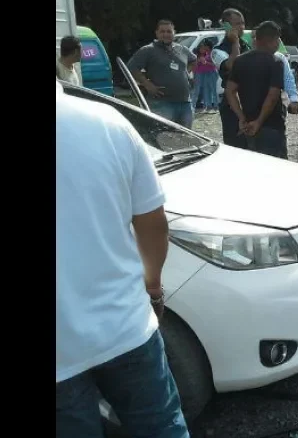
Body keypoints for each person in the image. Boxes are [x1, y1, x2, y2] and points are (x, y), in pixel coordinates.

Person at [56, 82, 188, 437]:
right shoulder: (107, 122)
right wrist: (154, 288)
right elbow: (152, 223)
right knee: (161, 427)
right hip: (125, 328)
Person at [225, 21, 290, 158]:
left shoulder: (239, 61)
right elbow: (272, 96)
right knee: (277, 168)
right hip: (271, 125)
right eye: (278, 40)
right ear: (273, 40)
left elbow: (230, 91)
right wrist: (259, 121)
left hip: (247, 124)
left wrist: (241, 117)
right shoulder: (276, 62)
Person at [128, 20, 197, 128]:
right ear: (156, 33)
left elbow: (194, 60)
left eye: (169, 31)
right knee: (163, 138)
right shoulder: (148, 50)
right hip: (161, 104)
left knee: (187, 139)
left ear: (174, 33)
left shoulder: (181, 49)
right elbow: (131, 67)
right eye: (162, 31)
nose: (166, 34)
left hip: (185, 103)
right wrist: (147, 84)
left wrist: (186, 73)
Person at [212, 8, 251, 147]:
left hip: (250, 99)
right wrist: (235, 43)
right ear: (226, 26)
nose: (241, 28)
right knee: (236, 143)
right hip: (230, 102)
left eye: (243, 23)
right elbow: (234, 65)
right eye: (236, 24)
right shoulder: (218, 50)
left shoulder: (248, 45)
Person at [192, 38, 219, 113]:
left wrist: (206, 62)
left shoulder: (213, 52)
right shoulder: (204, 53)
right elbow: (194, 64)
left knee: (213, 89)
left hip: (212, 72)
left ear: (208, 46)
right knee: (206, 90)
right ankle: (208, 106)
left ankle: (216, 106)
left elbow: (216, 64)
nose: (204, 47)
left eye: (205, 46)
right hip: (204, 73)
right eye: (202, 46)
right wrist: (200, 60)